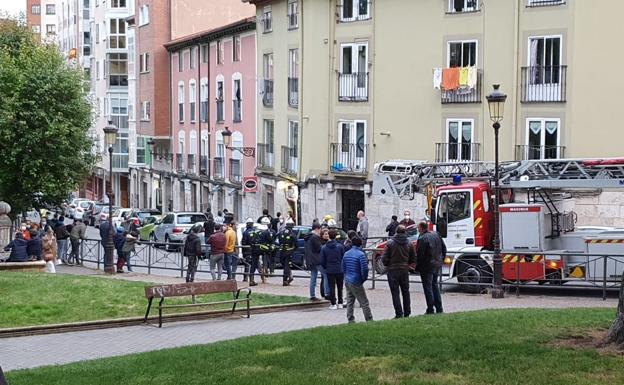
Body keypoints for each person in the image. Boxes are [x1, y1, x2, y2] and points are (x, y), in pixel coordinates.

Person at [382, 225, 416, 318]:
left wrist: (388, 264)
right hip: (404, 270)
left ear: (396, 232)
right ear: (405, 232)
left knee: (395, 293)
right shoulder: (409, 243)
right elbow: (413, 258)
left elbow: (384, 259)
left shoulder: (390, 243)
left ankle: (399, 313)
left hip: (392, 270)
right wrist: (407, 264)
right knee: (406, 292)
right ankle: (407, 312)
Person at [416, 221, 446, 315]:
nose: (418, 229)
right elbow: (443, 248)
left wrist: (417, 267)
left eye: (418, 228)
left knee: (428, 287)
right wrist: (441, 260)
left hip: (427, 266)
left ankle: (430, 309)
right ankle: (439, 308)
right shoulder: (436, 235)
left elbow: (420, 255)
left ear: (421, 228)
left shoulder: (422, 238)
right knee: (434, 285)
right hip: (436, 264)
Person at [342, 237, 373, 323]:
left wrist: (346, 276)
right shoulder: (361, 254)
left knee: (350, 301)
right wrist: (363, 279)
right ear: (360, 244)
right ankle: (369, 319)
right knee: (364, 302)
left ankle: (350, 318)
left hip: (348, 280)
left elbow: (343, 268)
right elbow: (364, 269)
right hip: (356, 280)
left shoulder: (346, 254)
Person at [320, 229, 345, 310]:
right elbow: (343, 257)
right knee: (340, 287)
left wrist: (325, 267)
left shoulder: (324, 248)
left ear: (329, 236)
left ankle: (333, 303)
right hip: (339, 269)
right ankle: (340, 302)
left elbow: (322, 260)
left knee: (331, 287)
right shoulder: (340, 246)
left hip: (330, 269)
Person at [305, 223, 325, 300]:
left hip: (310, 259)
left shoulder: (308, 237)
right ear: (317, 229)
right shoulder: (315, 237)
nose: (320, 231)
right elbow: (319, 248)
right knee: (325, 275)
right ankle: (326, 293)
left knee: (313, 277)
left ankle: (312, 295)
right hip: (316, 259)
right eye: (320, 229)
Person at [276, 219, 297, 286]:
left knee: (284, 266)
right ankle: (285, 280)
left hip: (281, 252)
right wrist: (292, 250)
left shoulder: (281, 232)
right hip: (288, 252)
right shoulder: (292, 233)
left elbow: (278, 241)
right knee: (286, 266)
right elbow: (296, 244)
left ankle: (289, 278)